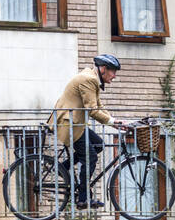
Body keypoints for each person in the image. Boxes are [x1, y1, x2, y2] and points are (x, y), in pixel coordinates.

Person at [51, 53, 127, 209]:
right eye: (113, 71)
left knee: (98, 145)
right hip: (68, 124)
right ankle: (83, 198)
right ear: (104, 69)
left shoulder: (93, 79)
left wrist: (115, 122)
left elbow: (99, 107)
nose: (114, 76)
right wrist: (112, 122)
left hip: (76, 124)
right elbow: (92, 110)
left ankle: (63, 167)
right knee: (90, 157)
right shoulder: (89, 79)